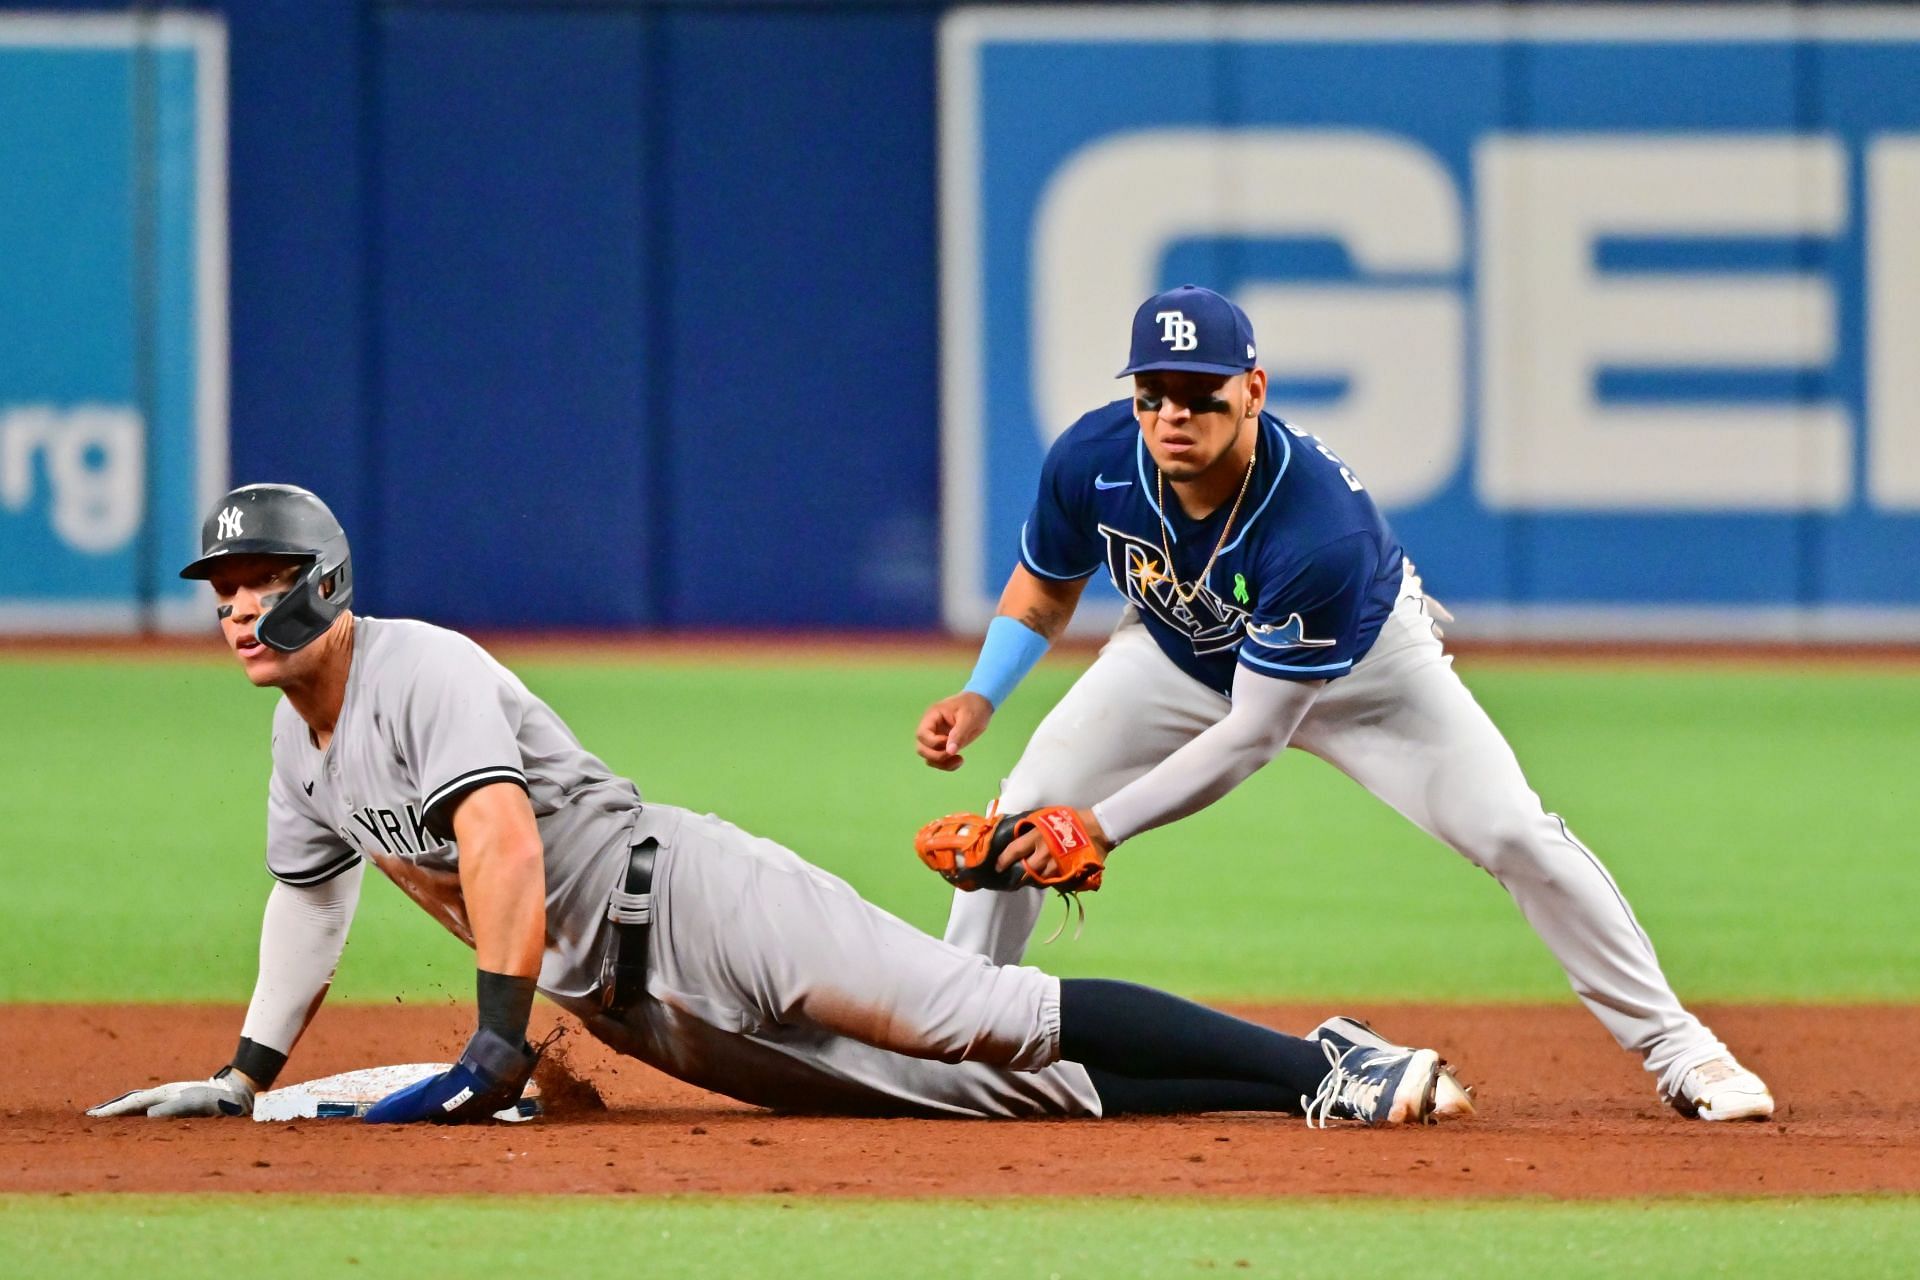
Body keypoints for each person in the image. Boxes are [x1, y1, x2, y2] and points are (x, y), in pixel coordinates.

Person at [89, 482, 1473, 1128]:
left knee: (978, 1016)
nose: (240, 608)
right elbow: (309, 901)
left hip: (693, 900)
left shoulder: (421, 670)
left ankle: (1321, 1069)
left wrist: (496, 1043)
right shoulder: (299, 744)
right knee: (982, 1101)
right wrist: (247, 1073)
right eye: (222, 591)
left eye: (261, 578)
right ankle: (1292, 1080)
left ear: (323, 578)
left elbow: (500, 845)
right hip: (644, 1006)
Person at [916, 285, 1773, 1122]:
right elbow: (1046, 583)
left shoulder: (1320, 526)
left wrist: (1099, 826)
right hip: (1178, 656)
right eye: (1152, 395)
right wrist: (983, 692)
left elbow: (1252, 735)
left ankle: (1682, 1048)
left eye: (1200, 395)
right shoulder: (1094, 460)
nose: (1173, 415)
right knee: (1022, 813)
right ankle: (942, 1035)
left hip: (1363, 676)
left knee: (1512, 830)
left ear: (1253, 390)